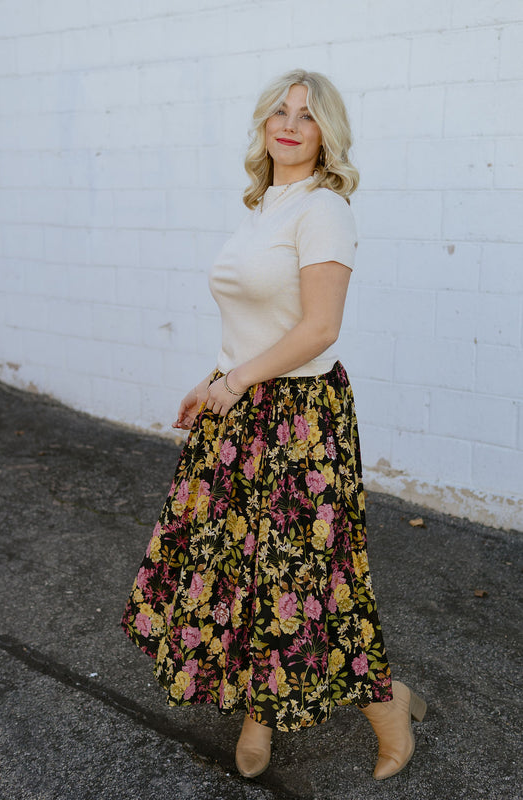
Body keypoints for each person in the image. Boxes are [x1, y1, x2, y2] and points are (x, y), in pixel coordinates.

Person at [120, 68, 426, 782]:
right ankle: (260, 714)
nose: (289, 124)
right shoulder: (265, 202)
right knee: (242, 572)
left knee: (310, 576)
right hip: (242, 409)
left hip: (299, 422)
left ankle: (388, 707)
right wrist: (214, 377)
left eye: (307, 115)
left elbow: (319, 328)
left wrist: (235, 380)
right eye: (279, 112)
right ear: (264, 124)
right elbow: (259, 317)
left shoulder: (322, 208)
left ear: (327, 133)